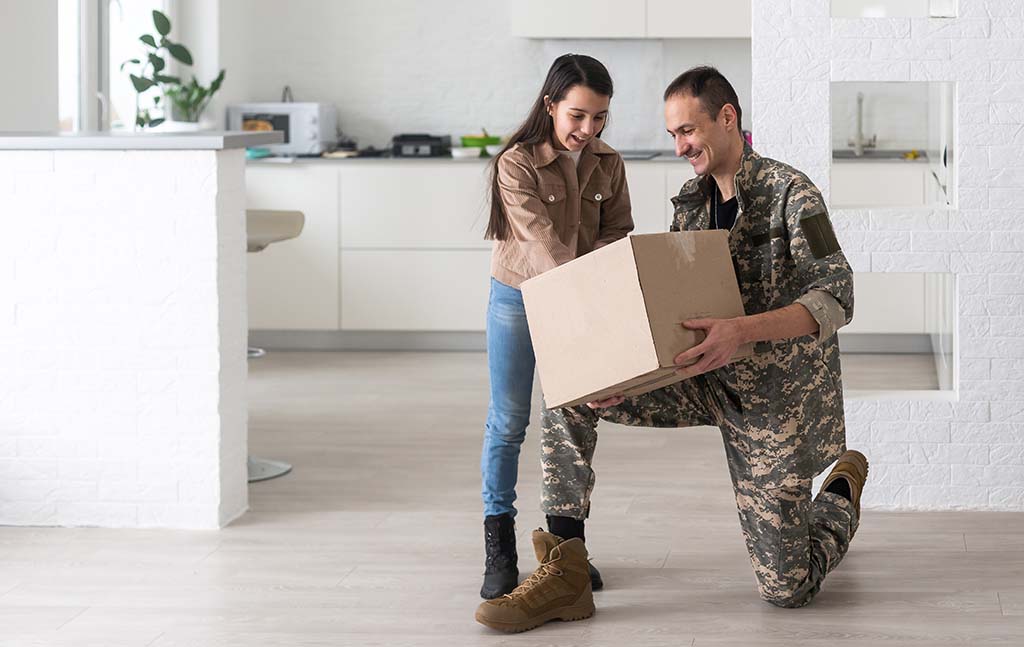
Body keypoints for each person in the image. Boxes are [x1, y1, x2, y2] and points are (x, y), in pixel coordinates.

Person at [476, 66, 867, 633]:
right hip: (700, 377)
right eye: (673, 136)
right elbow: (672, 303)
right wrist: (618, 367)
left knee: (787, 588)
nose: (681, 147)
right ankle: (566, 564)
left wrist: (743, 330)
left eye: (688, 131)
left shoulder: (791, 192)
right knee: (576, 390)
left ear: (727, 118)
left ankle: (838, 492)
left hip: (773, 401)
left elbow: (839, 297)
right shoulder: (690, 202)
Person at [478, 53, 633, 600]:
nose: (588, 130)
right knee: (509, 420)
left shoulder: (609, 163)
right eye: (577, 116)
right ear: (550, 105)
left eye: (599, 119)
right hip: (520, 296)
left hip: (579, 296)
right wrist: (589, 302)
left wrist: (601, 293)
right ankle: (499, 546)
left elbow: (619, 232)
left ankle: (565, 551)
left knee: (571, 414)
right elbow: (542, 245)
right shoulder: (516, 164)